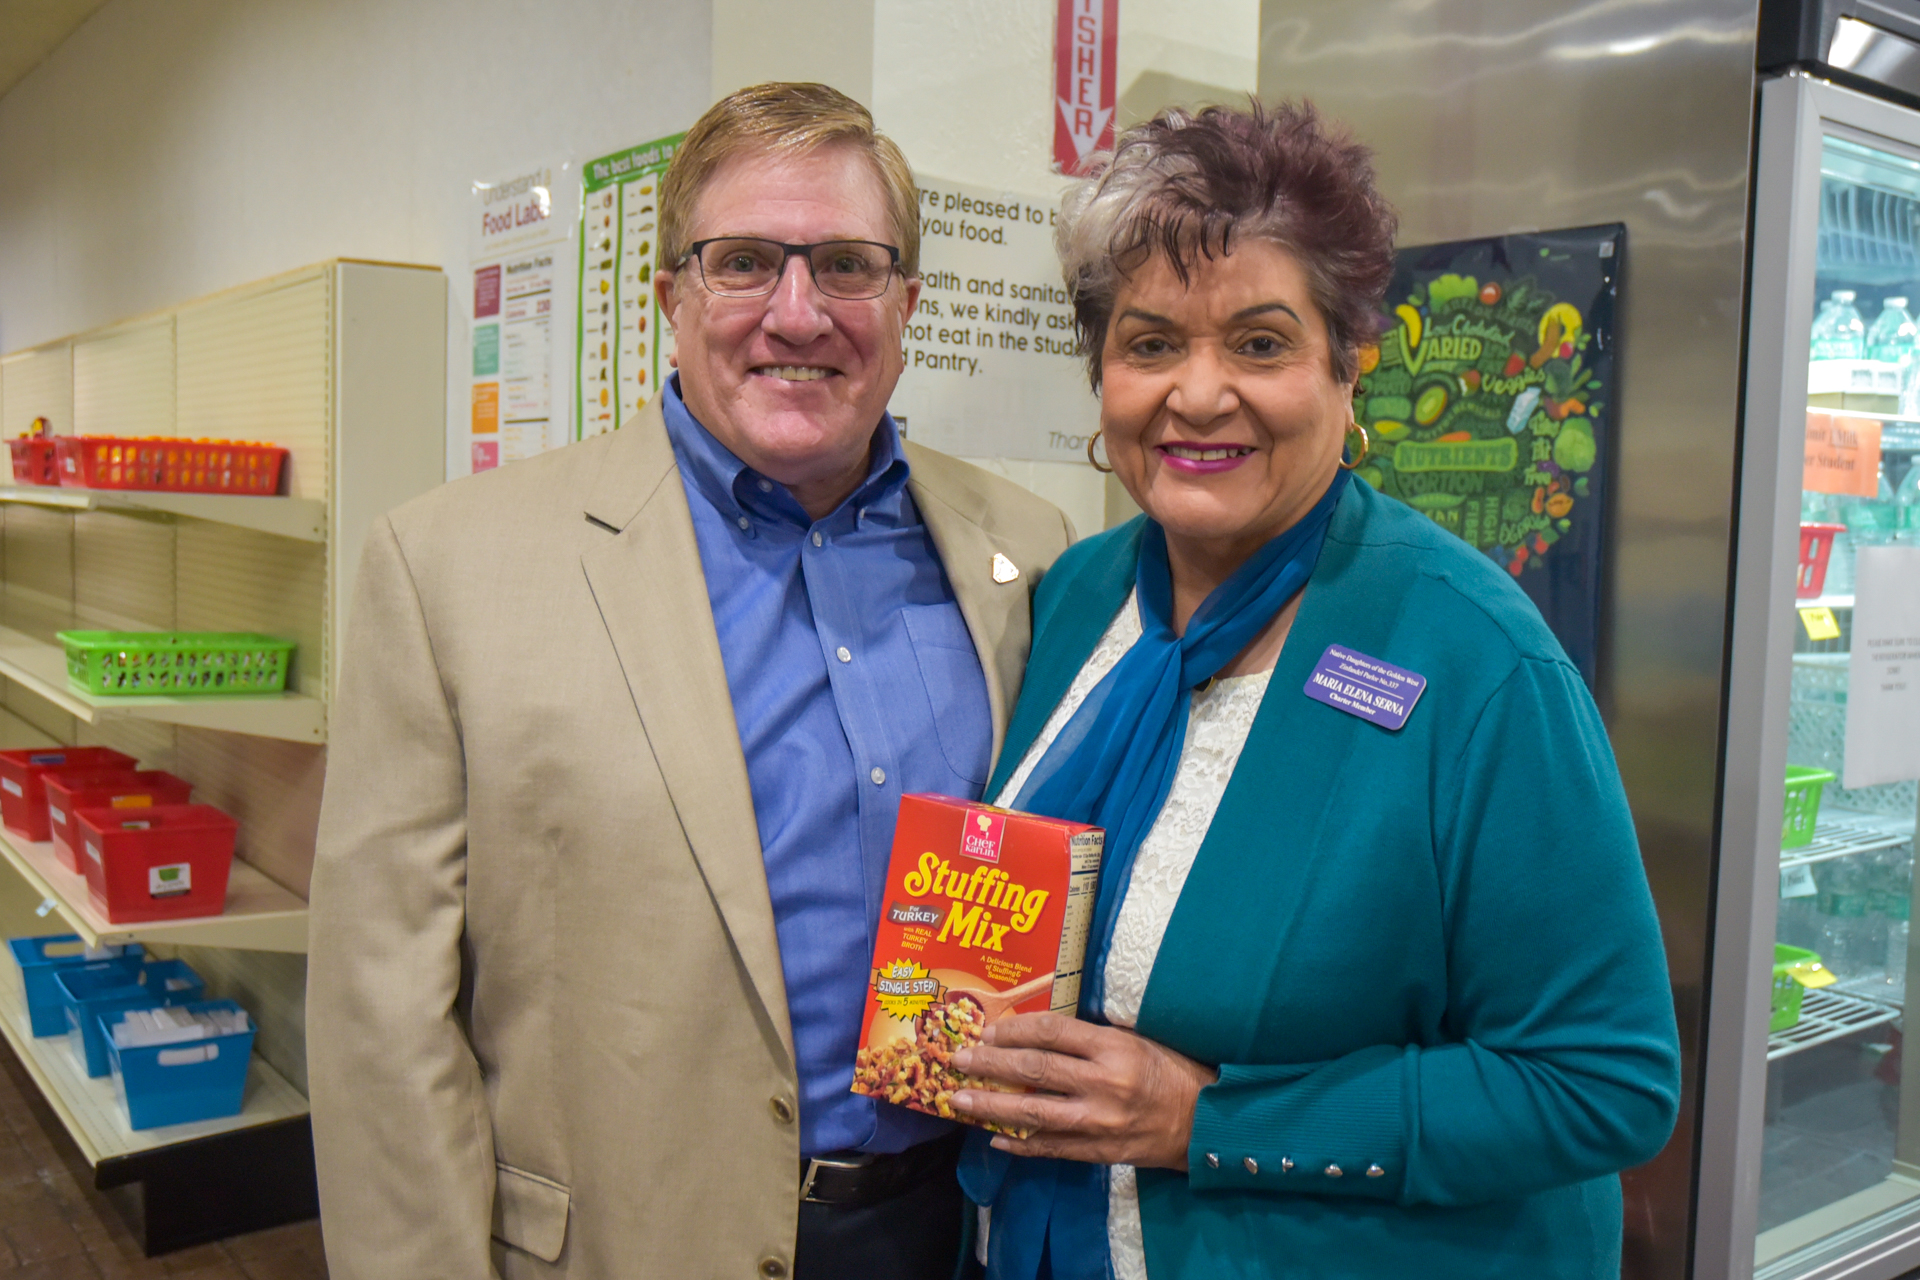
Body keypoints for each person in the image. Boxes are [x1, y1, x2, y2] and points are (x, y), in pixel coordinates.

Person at [306, 82, 1075, 1280]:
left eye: (848, 266)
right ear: (669, 294)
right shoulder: (449, 565)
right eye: (744, 261)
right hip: (631, 1240)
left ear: (909, 302)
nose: (798, 311)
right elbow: (379, 1019)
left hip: (955, 1227)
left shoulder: (1028, 549)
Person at [944, 102, 1681, 1280]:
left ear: (1350, 362)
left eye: (1259, 342)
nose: (1197, 394)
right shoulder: (1080, 598)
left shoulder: (1479, 662)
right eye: (1149, 344)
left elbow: (1602, 1080)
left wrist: (1214, 1121)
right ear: (1101, 375)